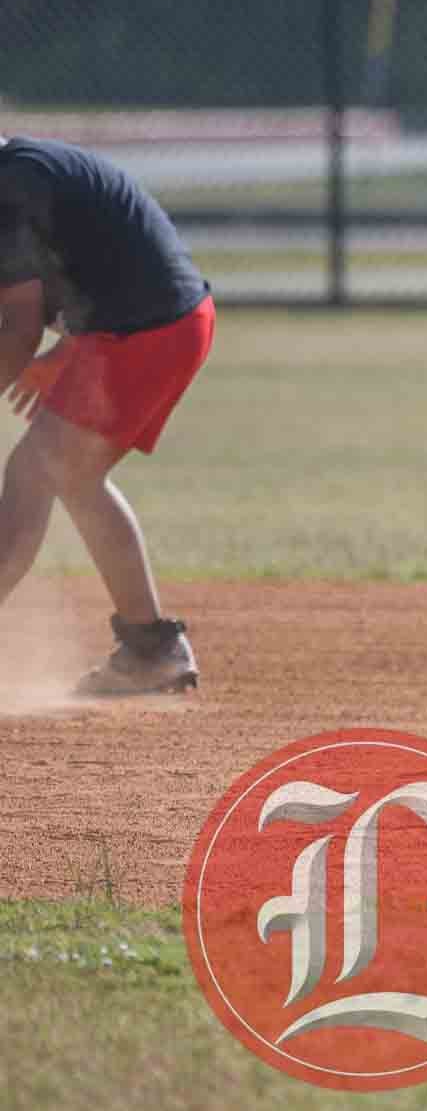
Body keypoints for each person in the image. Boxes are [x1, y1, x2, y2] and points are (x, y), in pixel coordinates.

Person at [0, 135, 214, 694]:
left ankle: (153, 649)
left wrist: (50, 349)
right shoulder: (22, 173)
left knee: (34, 470)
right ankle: (151, 648)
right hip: (155, 322)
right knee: (71, 475)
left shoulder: (9, 189)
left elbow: (19, 328)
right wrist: (67, 349)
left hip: (147, 330)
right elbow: (94, 257)